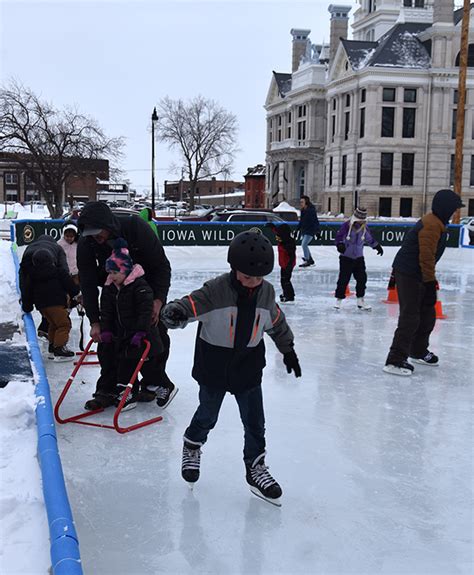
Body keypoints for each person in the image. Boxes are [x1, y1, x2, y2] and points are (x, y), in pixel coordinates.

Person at [160, 231, 302, 507]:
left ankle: (255, 467)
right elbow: (188, 304)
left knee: (254, 423)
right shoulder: (216, 290)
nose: (253, 283)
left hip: (248, 366)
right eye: (248, 277)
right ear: (233, 268)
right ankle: (192, 444)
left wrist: (289, 351)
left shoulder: (267, 293)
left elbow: (276, 323)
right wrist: (174, 313)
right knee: (207, 414)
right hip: (214, 364)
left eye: (259, 278)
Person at [76, 201, 174, 410]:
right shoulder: (87, 241)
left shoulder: (135, 227)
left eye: (98, 232)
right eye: (91, 233)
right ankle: (110, 389)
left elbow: (161, 266)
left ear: (108, 224)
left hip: (144, 291)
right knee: (109, 339)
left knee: (152, 338)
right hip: (114, 292)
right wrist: (95, 321)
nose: (96, 237)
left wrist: (158, 300)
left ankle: (153, 383)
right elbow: (87, 281)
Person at [384, 189, 464, 376]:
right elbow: (426, 256)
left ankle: (417, 351)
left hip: (417, 273)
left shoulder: (437, 222)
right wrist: (429, 283)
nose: (454, 212)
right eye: (453, 209)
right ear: (445, 208)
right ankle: (394, 360)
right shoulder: (431, 225)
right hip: (409, 273)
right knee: (410, 317)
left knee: (427, 314)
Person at [97, 239, 178, 411]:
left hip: (144, 335)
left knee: (149, 368)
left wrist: (141, 332)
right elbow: (106, 311)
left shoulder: (139, 286)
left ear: (125, 270)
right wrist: (106, 330)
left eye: (115, 272)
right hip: (124, 335)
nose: (111, 276)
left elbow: (145, 311)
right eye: (109, 272)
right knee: (124, 366)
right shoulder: (110, 287)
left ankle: (165, 386)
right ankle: (128, 394)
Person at [19, 237, 80, 361]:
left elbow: (27, 290)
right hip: (56, 303)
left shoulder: (32, 275)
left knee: (53, 324)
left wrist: (27, 305)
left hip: (42, 306)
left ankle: (52, 346)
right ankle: (59, 348)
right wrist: (76, 294)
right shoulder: (58, 272)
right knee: (64, 324)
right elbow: (69, 284)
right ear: (52, 259)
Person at [19, 234, 70, 341]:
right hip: (53, 294)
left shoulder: (29, 247)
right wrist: (66, 293)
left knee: (47, 309)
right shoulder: (57, 248)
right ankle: (57, 345)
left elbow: (24, 277)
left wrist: (26, 303)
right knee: (61, 321)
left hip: (31, 266)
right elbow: (64, 271)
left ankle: (46, 328)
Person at [334, 207, 383, 311]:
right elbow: (339, 237)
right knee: (343, 279)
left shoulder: (364, 228)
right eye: (359, 220)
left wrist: (377, 246)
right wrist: (340, 245)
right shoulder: (346, 226)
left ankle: (360, 300)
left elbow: (369, 239)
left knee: (362, 279)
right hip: (346, 258)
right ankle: (338, 300)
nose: (361, 222)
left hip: (359, 258)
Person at [268, 223, 296, 303]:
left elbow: (292, 256)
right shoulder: (283, 239)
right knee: (283, 280)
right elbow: (278, 231)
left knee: (286, 281)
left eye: (279, 236)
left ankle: (289, 296)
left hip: (287, 265)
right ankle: (287, 294)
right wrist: (272, 227)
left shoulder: (288, 244)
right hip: (283, 264)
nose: (277, 238)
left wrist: (289, 266)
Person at [296, 195, 320, 267]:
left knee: (304, 244)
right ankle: (310, 260)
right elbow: (301, 221)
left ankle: (307, 260)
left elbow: (315, 221)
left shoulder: (311, 210)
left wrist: (317, 231)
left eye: (302, 202)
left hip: (310, 230)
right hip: (304, 230)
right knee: (305, 245)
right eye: (300, 202)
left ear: (306, 202)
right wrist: (297, 229)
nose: (301, 203)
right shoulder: (303, 210)